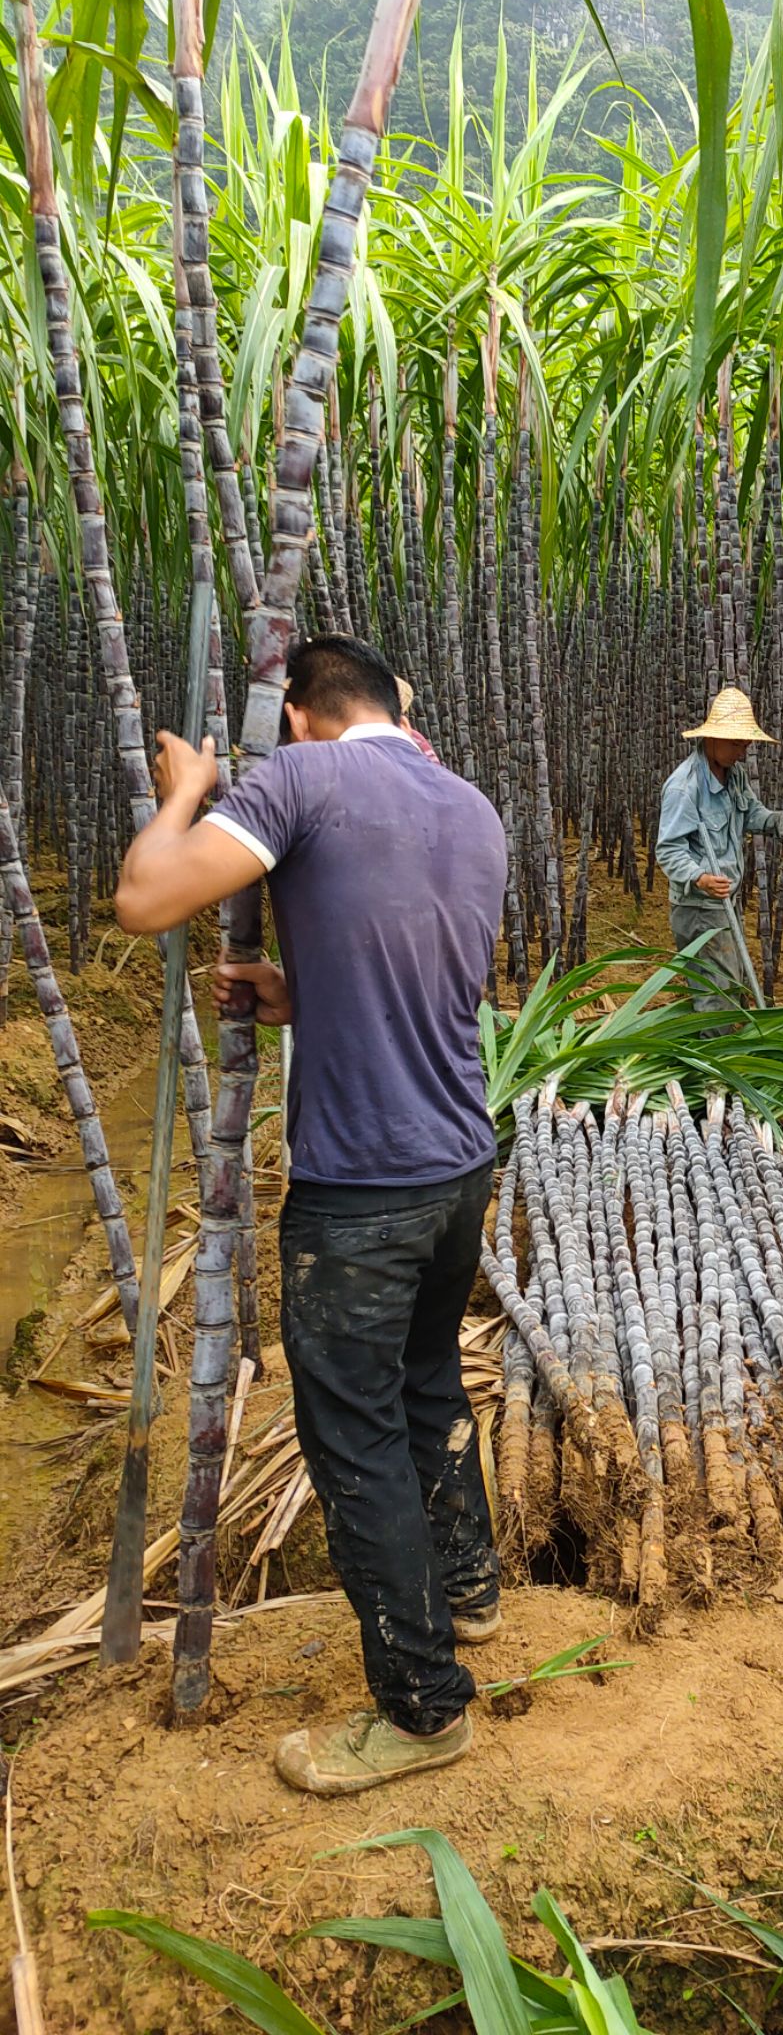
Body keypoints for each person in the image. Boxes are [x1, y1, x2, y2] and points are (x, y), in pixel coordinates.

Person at [114, 634, 507, 1796]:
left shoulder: (298, 780)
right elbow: (427, 979)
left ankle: (425, 1711)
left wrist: (188, 791)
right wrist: (301, 994)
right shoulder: (471, 805)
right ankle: (470, 1591)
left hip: (361, 1191)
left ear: (300, 717)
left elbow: (144, 900)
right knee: (430, 1388)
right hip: (458, 1165)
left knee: (353, 1439)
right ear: (396, 706)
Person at [655, 686, 783, 1008]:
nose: (743, 752)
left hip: (726, 902)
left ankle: (718, 1047)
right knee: (719, 995)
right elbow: (669, 849)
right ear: (713, 737)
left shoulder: (734, 775)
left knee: (731, 983)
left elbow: (752, 815)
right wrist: (700, 878)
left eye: (746, 744)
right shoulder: (685, 787)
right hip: (699, 907)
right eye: (736, 744)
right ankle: (714, 1054)